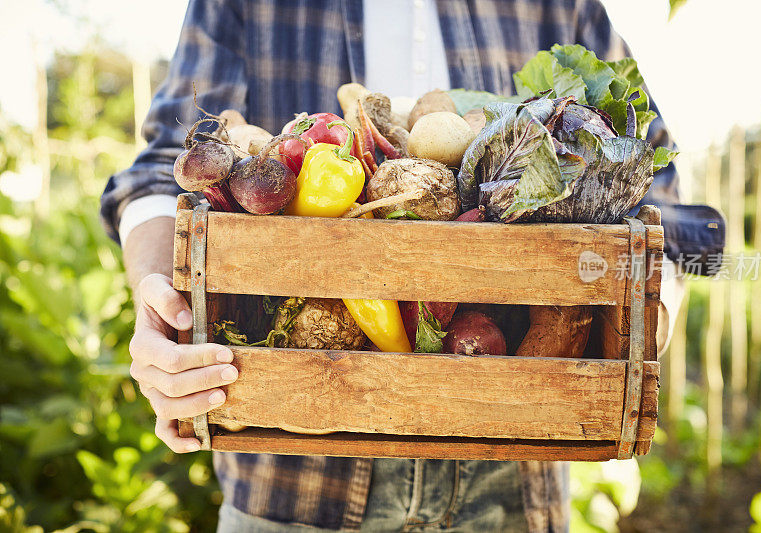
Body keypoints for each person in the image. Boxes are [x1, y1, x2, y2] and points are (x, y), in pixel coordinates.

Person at [101, 1, 723, 531]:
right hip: (290, 483)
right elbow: (162, 169)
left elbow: (660, 192)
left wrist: (644, 315)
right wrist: (160, 307)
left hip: (515, 471)